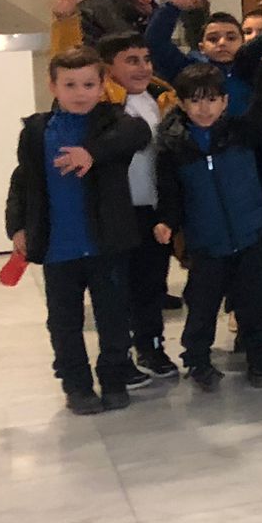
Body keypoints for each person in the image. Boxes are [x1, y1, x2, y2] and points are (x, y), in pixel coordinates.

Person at [6, 46, 153, 414]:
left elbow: (137, 134)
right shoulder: (37, 131)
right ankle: (76, 385)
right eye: (69, 84)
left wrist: (91, 153)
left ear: (102, 86)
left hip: (107, 245)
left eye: (88, 84)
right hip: (59, 247)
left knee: (113, 317)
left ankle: (114, 378)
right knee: (64, 322)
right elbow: (22, 181)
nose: (80, 92)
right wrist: (17, 225)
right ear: (53, 86)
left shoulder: (113, 123)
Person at [153, 63, 262, 391]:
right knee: (202, 305)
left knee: (254, 304)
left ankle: (259, 359)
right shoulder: (174, 146)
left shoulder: (241, 133)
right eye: (195, 101)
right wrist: (167, 222)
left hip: (247, 235)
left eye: (211, 99)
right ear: (181, 104)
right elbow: (170, 193)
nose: (204, 108)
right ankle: (197, 359)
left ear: (225, 101)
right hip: (206, 242)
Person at [97, 31, 178, 384]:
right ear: (107, 68)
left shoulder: (161, 99)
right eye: (131, 61)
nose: (143, 67)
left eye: (146, 60)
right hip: (117, 211)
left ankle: (151, 345)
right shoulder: (101, 105)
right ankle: (118, 355)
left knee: (151, 284)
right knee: (118, 288)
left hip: (152, 210)